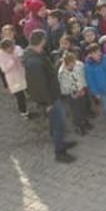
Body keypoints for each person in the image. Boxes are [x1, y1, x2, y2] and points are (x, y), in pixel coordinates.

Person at [22, 30, 75, 162]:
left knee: (55, 123)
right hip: (50, 99)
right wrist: (48, 103)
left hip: (52, 96)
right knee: (58, 124)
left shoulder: (37, 54)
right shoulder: (34, 61)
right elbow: (39, 85)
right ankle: (59, 152)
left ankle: (61, 143)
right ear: (42, 41)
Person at [0, 34, 31, 118]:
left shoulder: (17, 49)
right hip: (13, 78)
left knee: (29, 89)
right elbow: (4, 69)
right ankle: (23, 112)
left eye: (13, 47)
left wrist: (21, 59)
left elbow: (23, 57)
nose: (12, 50)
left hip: (22, 74)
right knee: (20, 96)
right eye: (10, 48)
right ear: (4, 49)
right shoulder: (0, 55)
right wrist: (12, 61)